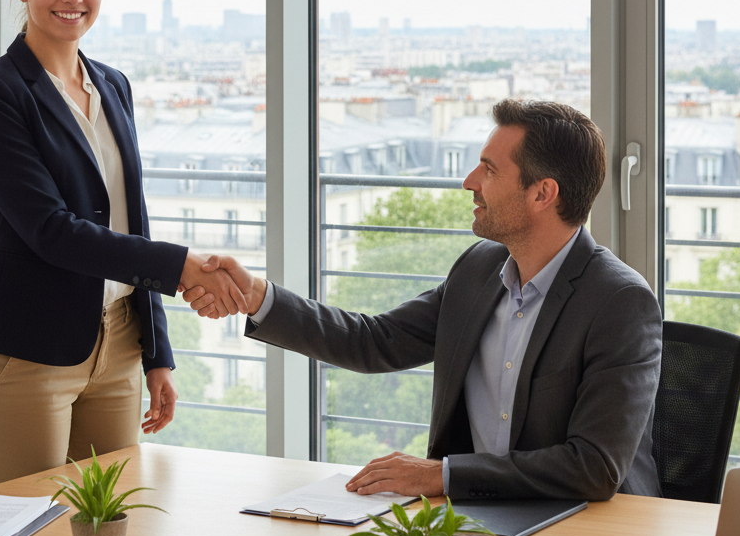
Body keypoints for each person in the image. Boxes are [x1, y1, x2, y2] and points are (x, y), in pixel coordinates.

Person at [0, 0, 244, 536]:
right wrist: (182, 266)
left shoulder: (112, 84)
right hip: (28, 353)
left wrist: (156, 350)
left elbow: (128, 218)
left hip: (116, 343)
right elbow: (52, 232)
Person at [185, 99, 663, 502]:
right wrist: (257, 297)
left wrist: (443, 475)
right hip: (479, 523)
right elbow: (375, 341)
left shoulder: (619, 302)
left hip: (587, 532)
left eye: (490, 169)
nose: (469, 181)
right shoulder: (478, 270)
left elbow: (594, 467)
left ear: (543, 194)